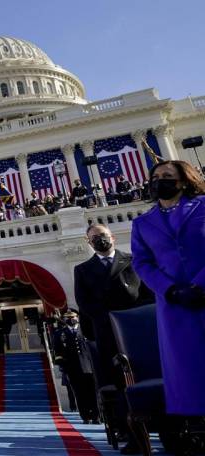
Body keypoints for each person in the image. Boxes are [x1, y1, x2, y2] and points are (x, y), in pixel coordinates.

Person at [130, 160, 205, 417]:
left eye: (167, 176)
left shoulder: (203, 206)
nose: (160, 180)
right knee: (189, 369)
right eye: (156, 176)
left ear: (183, 180)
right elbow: (142, 263)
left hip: (203, 292)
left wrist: (200, 284)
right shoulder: (142, 223)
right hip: (175, 305)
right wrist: (170, 289)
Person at [73, 223, 152, 452]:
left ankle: (166, 429)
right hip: (108, 333)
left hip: (139, 331)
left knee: (147, 375)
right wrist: (110, 317)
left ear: (113, 237)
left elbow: (148, 294)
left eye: (103, 235)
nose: (100, 240)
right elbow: (84, 303)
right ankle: (133, 435)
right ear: (88, 243)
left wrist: (134, 316)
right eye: (94, 238)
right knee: (120, 385)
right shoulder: (83, 269)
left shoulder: (133, 260)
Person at [52, 311, 99, 424]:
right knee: (79, 393)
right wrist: (64, 367)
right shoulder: (59, 334)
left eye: (72, 317)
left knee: (92, 392)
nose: (70, 319)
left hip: (88, 367)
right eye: (67, 317)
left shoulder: (86, 330)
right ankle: (85, 416)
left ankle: (96, 416)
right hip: (72, 369)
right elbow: (57, 353)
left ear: (77, 317)